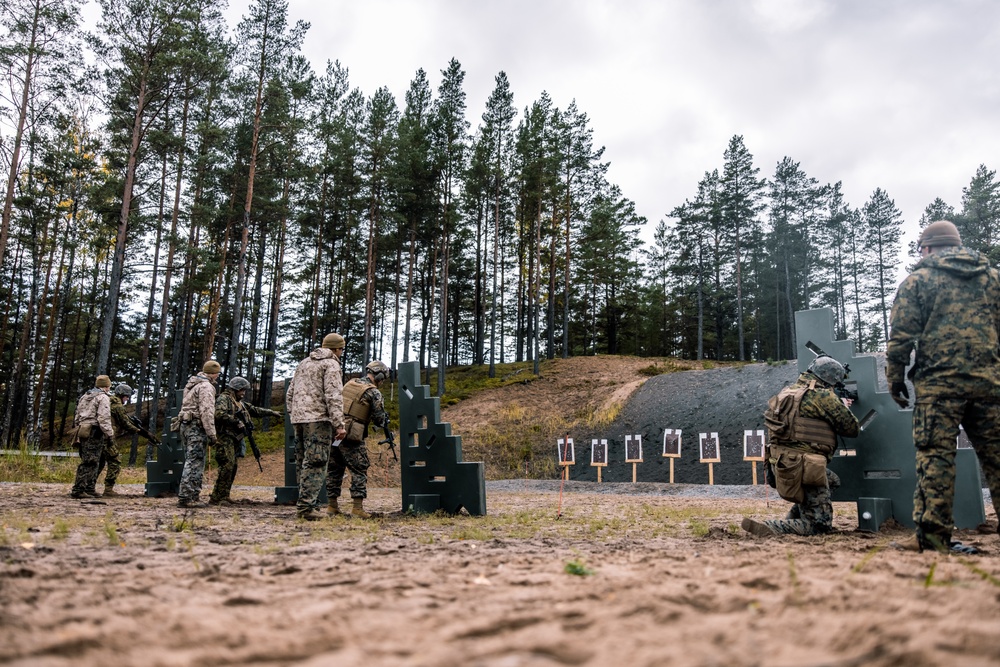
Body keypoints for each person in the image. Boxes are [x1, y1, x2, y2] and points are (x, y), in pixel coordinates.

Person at [887, 219, 1000, 554]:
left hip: (939, 389)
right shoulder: (993, 279)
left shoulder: (918, 281)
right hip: (990, 387)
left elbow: (901, 338)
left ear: (927, 248)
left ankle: (933, 540)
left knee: (936, 461)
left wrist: (895, 377)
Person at [742, 356, 859, 537]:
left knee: (832, 481)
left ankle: (791, 519)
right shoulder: (823, 396)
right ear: (830, 378)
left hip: (780, 462)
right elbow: (851, 428)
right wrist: (842, 406)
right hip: (805, 466)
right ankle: (771, 527)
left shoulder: (787, 392)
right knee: (819, 526)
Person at [286, 333, 347, 521]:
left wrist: (294, 414)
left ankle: (306, 504)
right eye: (341, 349)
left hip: (299, 420)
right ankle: (306, 508)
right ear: (337, 349)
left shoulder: (304, 363)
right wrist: (339, 424)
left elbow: (290, 393)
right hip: (319, 420)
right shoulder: (331, 364)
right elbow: (333, 396)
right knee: (316, 463)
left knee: (303, 462)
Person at [328, 360, 392, 518]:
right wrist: (384, 420)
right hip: (351, 435)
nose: (383, 381)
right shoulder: (373, 392)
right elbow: (379, 419)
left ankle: (332, 507)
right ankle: (357, 508)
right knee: (359, 468)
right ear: (379, 375)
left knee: (334, 469)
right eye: (383, 377)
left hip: (335, 431)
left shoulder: (349, 384)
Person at [210, 376, 281, 505]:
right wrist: (236, 421)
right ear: (235, 389)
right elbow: (218, 414)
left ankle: (224, 495)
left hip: (233, 438)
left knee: (233, 466)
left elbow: (254, 410)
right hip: (224, 437)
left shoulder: (239, 403)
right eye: (242, 390)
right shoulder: (224, 399)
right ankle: (216, 497)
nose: (243, 393)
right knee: (227, 465)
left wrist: (271, 412)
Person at [97, 383, 157, 497]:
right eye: (127, 396)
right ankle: (108, 489)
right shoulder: (117, 406)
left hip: (99, 436)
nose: (128, 399)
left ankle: (88, 486)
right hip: (107, 437)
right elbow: (125, 424)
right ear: (122, 395)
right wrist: (142, 432)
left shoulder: (108, 402)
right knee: (115, 461)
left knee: (99, 461)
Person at [176, 360, 221, 508]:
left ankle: (192, 495)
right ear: (214, 374)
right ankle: (187, 497)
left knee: (191, 460)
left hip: (185, 425)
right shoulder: (206, 387)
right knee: (194, 462)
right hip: (196, 427)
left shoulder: (192, 385)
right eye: (218, 374)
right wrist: (212, 434)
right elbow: (207, 411)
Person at [70, 375, 115, 499]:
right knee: (90, 461)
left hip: (83, 430)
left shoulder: (85, 396)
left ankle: (89, 488)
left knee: (96, 460)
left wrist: (79, 427)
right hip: (95, 431)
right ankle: (79, 489)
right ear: (107, 386)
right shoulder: (103, 398)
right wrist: (109, 434)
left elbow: (77, 415)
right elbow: (103, 418)